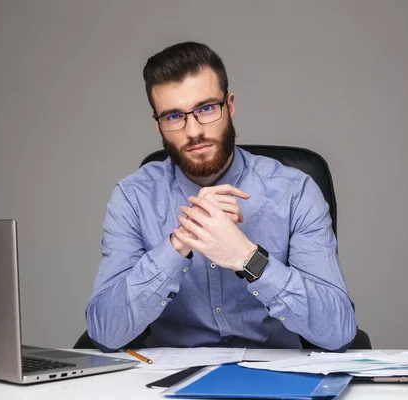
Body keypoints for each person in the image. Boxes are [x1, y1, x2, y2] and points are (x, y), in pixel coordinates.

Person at [85, 41, 357, 352]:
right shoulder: (133, 198)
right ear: (157, 123)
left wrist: (248, 258)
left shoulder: (295, 191)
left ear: (229, 106)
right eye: (174, 116)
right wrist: (180, 242)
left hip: (275, 379)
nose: (193, 131)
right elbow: (104, 331)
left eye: (205, 109)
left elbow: (338, 332)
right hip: (165, 385)